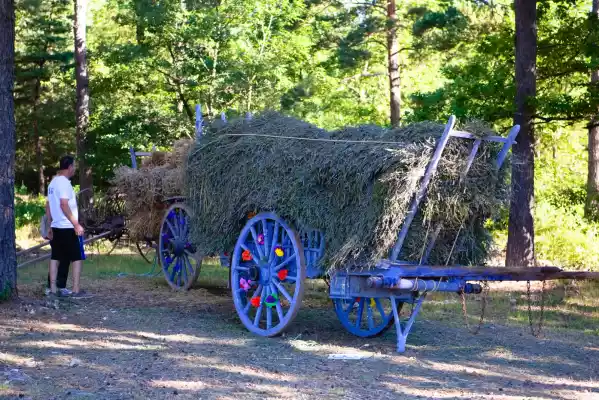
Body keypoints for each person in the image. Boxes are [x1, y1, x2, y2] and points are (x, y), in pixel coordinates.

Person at [46, 155, 91, 298]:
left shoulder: (52, 183)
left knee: (56, 257)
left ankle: (53, 289)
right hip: (67, 227)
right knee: (77, 257)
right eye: (74, 166)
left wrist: (50, 224)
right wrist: (76, 224)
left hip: (57, 226)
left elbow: (48, 205)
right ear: (70, 167)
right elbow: (63, 204)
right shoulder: (64, 183)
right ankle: (76, 290)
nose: (75, 169)